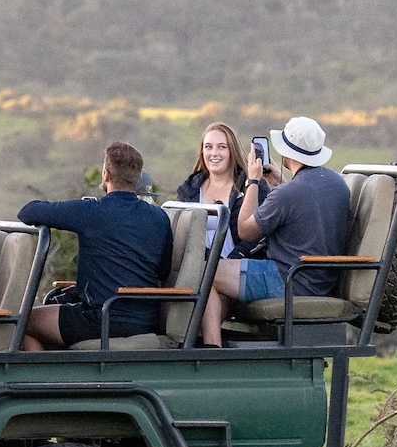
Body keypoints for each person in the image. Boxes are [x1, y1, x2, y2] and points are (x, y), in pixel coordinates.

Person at [201, 116, 350, 346]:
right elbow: (304, 202)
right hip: (319, 279)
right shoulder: (337, 183)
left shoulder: (286, 194)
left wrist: (253, 181)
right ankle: (211, 342)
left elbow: (245, 230)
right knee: (219, 282)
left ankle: (210, 350)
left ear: (287, 154)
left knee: (206, 272)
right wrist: (281, 182)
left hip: (287, 279)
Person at [18, 141, 173, 350]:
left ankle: (43, 372)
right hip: (146, 321)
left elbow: (28, 212)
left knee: (23, 322)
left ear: (106, 175)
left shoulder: (92, 211)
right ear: (137, 178)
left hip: (100, 319)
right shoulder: (159, 217)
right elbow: (163, 271)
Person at [172, 122, 262, 260]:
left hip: (241, 266)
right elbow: (181, 236)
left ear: (233, 151)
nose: (214, 153)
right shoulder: (188, 190)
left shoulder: (253, 185)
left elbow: (259, 233)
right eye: (208, 147)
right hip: (198, 266)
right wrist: (212, 261)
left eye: (222, 147)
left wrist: (230, 262)